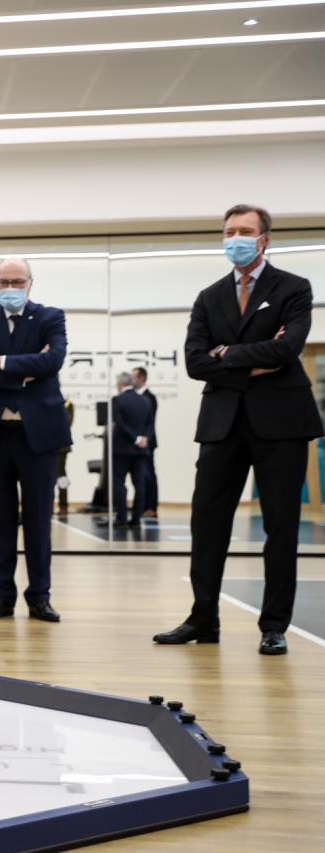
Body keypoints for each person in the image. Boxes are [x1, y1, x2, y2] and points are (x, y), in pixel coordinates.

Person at [154, 204, 322, 656]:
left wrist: (225, 356)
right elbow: (194, 362)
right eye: (229, 231)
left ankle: (274, 626)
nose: (236, 238)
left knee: (281, 527)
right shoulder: (209, 297)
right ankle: (203, 618)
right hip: (222, 424)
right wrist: (253, 361)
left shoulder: (293, 287)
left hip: (282, 424)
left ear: (265, 238)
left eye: (245, 231)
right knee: (207, 523)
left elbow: (288, 349)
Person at [0, 258, 71, 624]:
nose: (10, 287)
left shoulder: (50, 317)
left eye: (17, 280)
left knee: (39, 520)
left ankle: (39, 596)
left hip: (38, 436)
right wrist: (25, 371)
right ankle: (2, 594)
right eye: (3, 281)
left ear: (30, 283)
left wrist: (3, 363)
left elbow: (54, 361)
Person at [98, 372, 152, 529]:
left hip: (122, 450)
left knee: (118, 483)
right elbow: (150, 423)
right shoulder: (145, 400)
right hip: (141, 449)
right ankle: (136, 518)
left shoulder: (117, 400)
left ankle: (121, 518)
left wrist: (134, 438)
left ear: (120, 384)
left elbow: (120, 424)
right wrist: (144, 438)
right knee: (139, 484)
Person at [132, 367, 159, 517]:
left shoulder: (150, 397)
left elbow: (148, 421)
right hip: (137, 442)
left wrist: (143, 437)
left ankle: (151, 507)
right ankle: (141, 506)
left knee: (149, 475)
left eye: (134, 377)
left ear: (142, 378)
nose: (132, 380)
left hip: (146, 441)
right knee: (140, 476)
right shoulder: (136, 396)